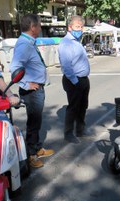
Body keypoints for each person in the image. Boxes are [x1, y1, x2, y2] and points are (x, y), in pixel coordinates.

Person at [10, 14, 54, 169]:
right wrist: (26, 84)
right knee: (33, 124)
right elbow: (14, 68)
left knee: (37, 122)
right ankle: (31, 155)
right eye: (39, 25)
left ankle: (36, 148)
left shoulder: (28, 42)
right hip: (32, 92)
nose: (41, 28)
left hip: (37, 90)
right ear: (33, 27)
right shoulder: (24, 44)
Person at [58, 15, 91, 144]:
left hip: (83, 79)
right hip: (73, 80)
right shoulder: (66, 43)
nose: (80, 29)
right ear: (70, 27)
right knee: (73, 107)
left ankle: (80, 130)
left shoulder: (77, 42)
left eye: (81, 27)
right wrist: (76, 82)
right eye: (77, 27)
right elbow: (67, 66)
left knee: (83, 106)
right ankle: (68, 133)